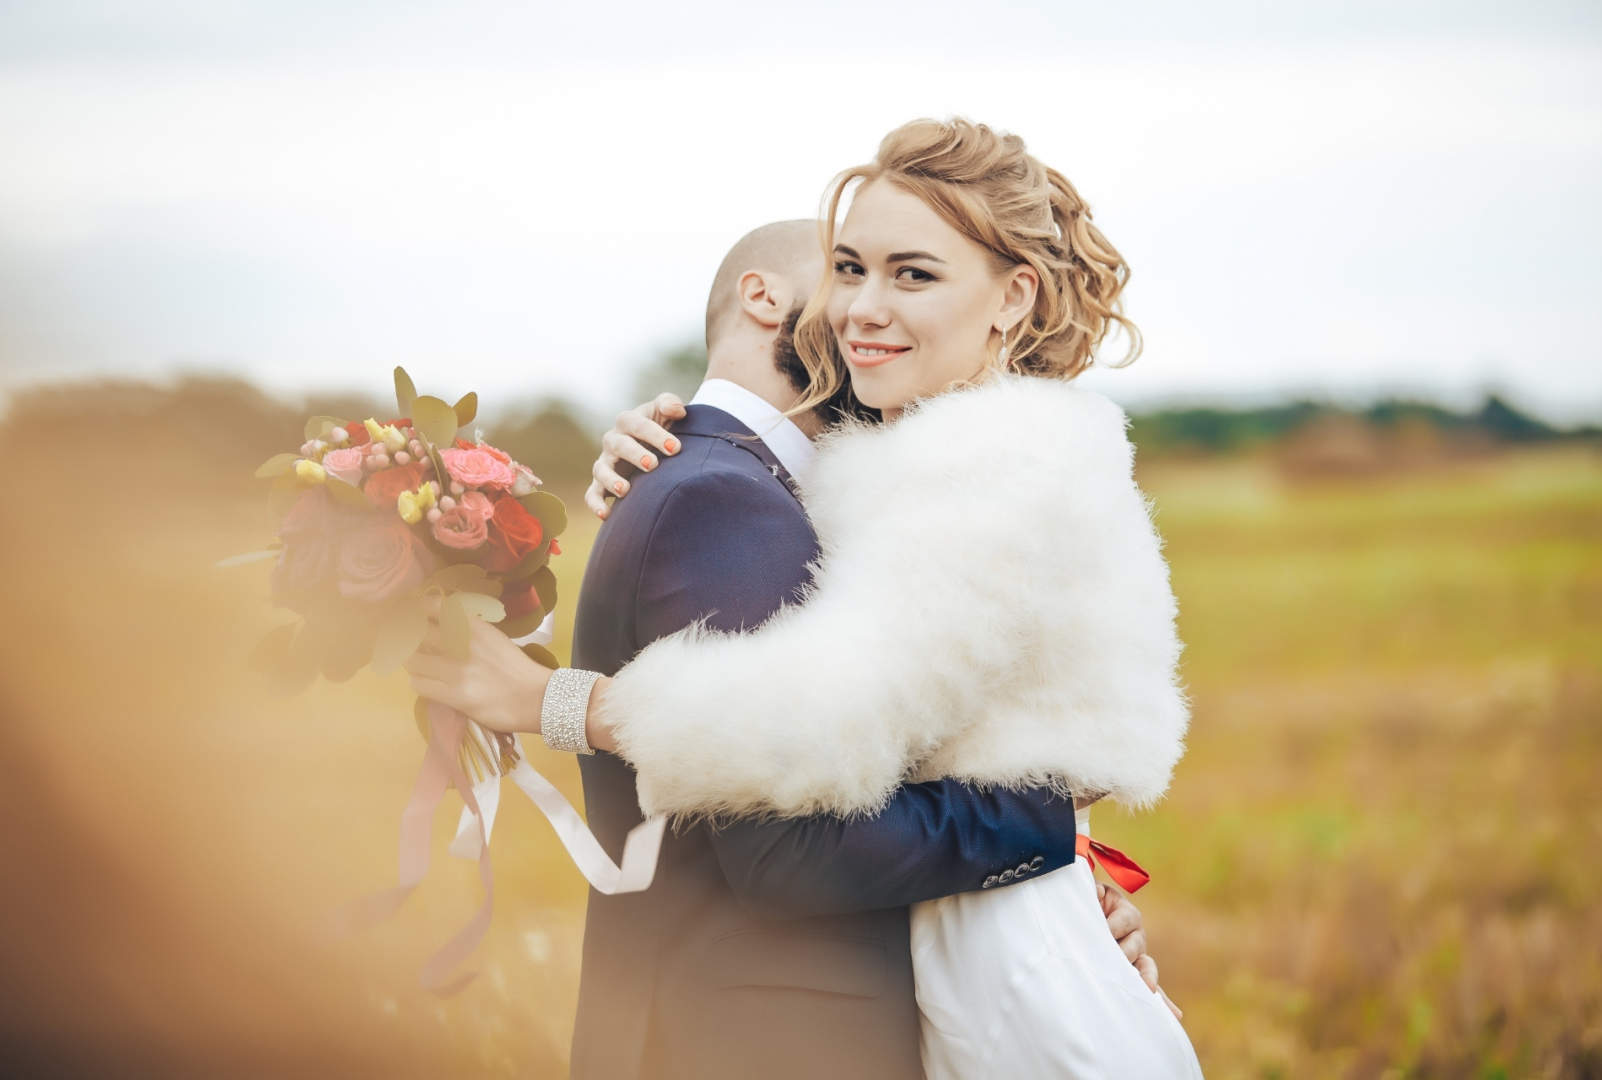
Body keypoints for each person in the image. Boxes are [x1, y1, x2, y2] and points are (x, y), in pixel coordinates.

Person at [409, 209, 1170, 1079]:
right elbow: (790, 845)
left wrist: (1053, 900)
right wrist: (1045, 827)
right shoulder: (722, 499)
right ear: (765, 297)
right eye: (845, 272)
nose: (861, 310)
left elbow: (862, 745)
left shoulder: (753, 484)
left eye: (900, 277)